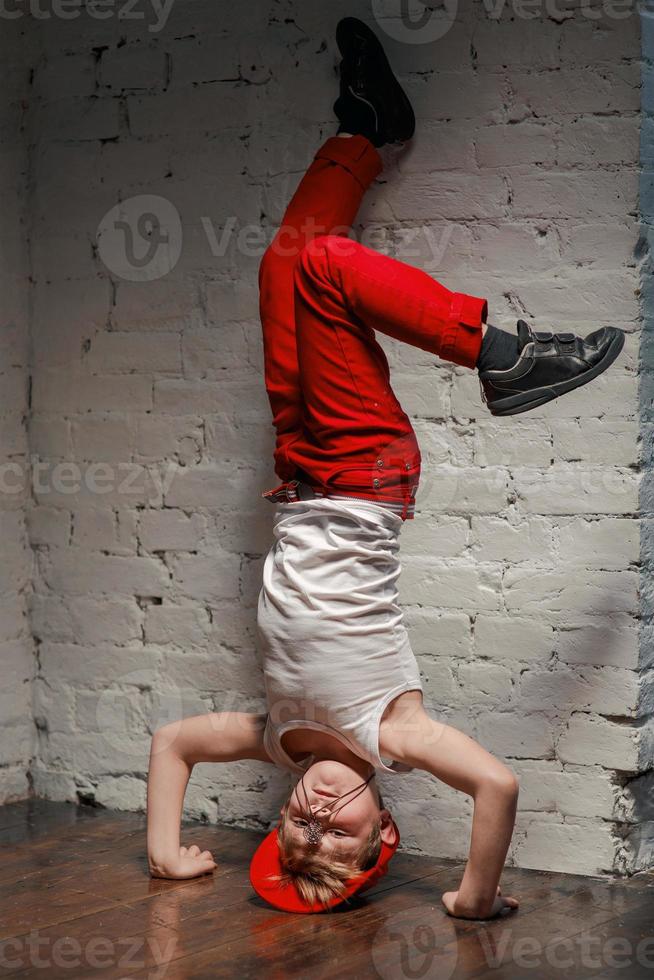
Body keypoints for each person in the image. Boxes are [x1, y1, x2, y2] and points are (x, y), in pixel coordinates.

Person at [146, 17, 624, 917]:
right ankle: (505, 355)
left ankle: (368, 127)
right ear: (385, 831)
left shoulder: (268, 739)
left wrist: (171, 855)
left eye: (299, 833)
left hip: (299, 468)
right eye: (342, 836)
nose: (318, 820)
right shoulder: (395, 734)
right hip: (363, 469)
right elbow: (498, 787)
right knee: (324, 268)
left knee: (281, 264)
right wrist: (473, 899)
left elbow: (172, 743)